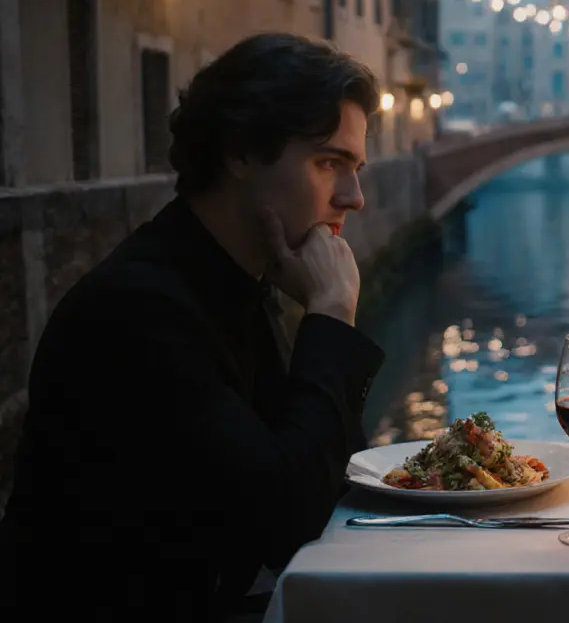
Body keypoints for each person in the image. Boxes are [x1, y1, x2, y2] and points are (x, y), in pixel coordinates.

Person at [0, 33, 386, 621]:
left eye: (354, 168)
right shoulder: (140, 311)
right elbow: (285, 521)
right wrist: (331, 313)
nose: (353, 197)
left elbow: (326, 479)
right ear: (239, 151)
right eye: (328, 162)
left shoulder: (228, 284)